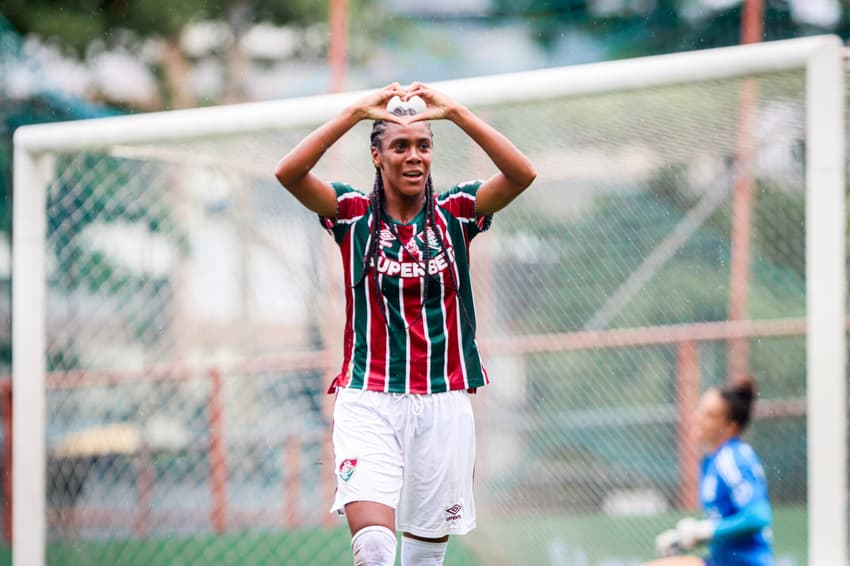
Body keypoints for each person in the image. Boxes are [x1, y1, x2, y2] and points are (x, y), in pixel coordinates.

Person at [274, 82, 536, 565]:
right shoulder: (350, 214)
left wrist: (456, 112)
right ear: (377, 156)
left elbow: (522, 174)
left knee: (422, 560)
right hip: (369, 401)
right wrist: (354, 112)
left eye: (423, 145)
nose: (414, 156)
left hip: (443, 404)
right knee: (374, 548)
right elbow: (288, 173)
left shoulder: (456, 213)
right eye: (400, 146)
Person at [647, 377, 774, 566]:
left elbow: (759, 516)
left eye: (709, 415)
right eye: (700, 410)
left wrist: (706, 531)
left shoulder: (733, 458)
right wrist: (683, 538)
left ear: (730, 426)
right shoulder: (713, 461)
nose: (697, 418)